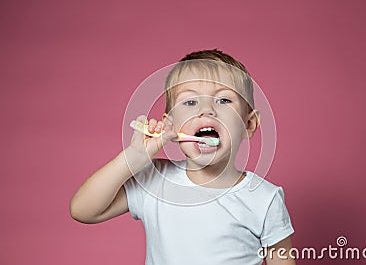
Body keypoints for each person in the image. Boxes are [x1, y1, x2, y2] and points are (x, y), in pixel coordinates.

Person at [70, 49, 296, 265]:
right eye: (190, 102)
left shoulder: (265, 199)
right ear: (171, 125)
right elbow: (83, 210)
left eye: (223, 100)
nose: (206, 110)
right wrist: (133, 159)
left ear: (249, 124)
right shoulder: (155, 180)